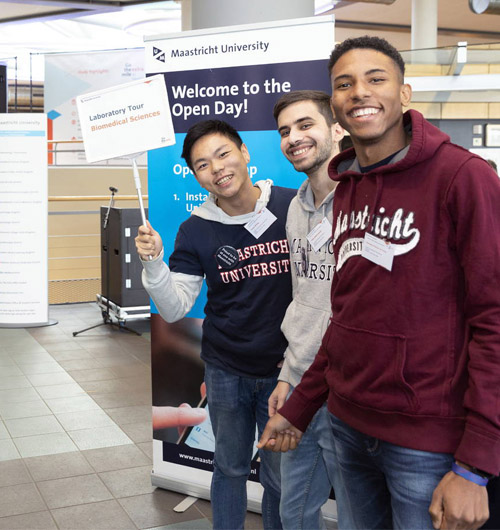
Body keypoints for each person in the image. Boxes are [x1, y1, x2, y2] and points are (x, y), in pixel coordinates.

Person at [259, 36, 500, 530]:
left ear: (405, 93)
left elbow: (494, 322)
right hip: (348, 428)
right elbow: (346, 317)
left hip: (425, 442)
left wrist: (476, 465)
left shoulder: (464, 178)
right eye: (344, 84)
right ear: (337, 107)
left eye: (375, 79)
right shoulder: (348, 191)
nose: (359, 92)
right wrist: (301, 404)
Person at [136, 119, 296, 530]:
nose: (217, 168)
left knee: (281, 477)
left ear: (244, 152)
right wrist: (154, 263)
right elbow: (174, 309)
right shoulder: (195, 229)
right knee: (229, 469)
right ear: (195, 175)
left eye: (223, 153)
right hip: (226, 372)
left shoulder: (294, 206)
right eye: (203, 164)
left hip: (286, 374)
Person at [269, 90, 344, 529]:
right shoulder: (296, 209)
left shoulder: (366, 201)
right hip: (299, 385)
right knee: (293, 512)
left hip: (344, 389)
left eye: (305, 125)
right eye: (284, 131)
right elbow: (302, 297)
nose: (293, 137)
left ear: (337, 129)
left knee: (358, 512)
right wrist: (286, 373)